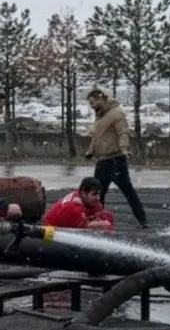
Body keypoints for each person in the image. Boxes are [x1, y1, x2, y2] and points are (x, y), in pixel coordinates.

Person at [84, 89, 148, 228]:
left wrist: (124, 148)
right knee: (98, 194)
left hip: (116, 160)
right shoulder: (100, 116)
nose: (91, 106)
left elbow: (123, 132)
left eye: (92, 103)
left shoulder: (116, 113)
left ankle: (143, 221)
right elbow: (97, 136)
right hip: (102, 161)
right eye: (90, 104)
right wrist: (90, 151)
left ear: (100, 98)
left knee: (128, 192)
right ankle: (97, 221)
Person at [44, 177, 115, 231]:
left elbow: (100, 211)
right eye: (94, 194)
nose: (98, 198)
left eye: (99, 194)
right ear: (83, 193)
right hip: (51, 232)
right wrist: (102, 224)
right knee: (104, 225)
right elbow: (84, 228)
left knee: (108, 216)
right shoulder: (74, 207)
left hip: (66, 226)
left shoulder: (82, 196)